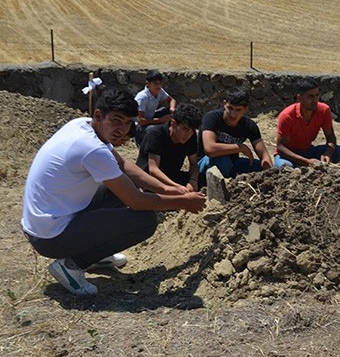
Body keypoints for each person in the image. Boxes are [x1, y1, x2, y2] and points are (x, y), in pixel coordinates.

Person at [21, 88, 206, 296]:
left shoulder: (82, 125)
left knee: (119, 188)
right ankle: (71, 264)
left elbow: (124, 165)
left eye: (128, 123)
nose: (122, 130)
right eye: (117, 120)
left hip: (45, 221)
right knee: (145, 221)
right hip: (50, 237)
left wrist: (169, 189)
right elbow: (136, 201)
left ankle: (93, 253)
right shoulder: (92, 149)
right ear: (99, 115)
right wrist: (182, 202)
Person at [197, 88, 273, 182]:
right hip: (207, 163)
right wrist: (240, 147)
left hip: (233, 163)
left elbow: (264, 154)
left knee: (261, 167)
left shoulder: (249, 125)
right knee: (223, 162)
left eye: (238, 110)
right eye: (230, 108)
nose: (233, 114)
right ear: (224, 104)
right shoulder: (212, 118)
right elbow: (210, 149)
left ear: (245, 109)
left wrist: (270, 174)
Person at [274, 78, 340, 167]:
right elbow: (281, 148)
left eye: (317, 95)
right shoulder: (287, 116)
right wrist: (307, 162)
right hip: (290, 155)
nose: (315, 100)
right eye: (310, 96)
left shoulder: (324, 110)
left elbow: (331, 137)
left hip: (308, 151)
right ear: (299, 98)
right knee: (285, 166)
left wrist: (328, 154)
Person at [136, 103, 202, 193]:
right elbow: (153, 169)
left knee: (203, 179)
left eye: (192, 130)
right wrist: (177, 187)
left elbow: (193, 163)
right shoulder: (156, 134)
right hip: (149, 179)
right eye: (185, 129)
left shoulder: (191, 136)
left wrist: (193, 181)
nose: (188, 135)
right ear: (173, 123)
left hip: (172, 176)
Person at [134, 70, 177, 146]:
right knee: (153, 130)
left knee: (169, 112)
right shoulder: (142, 97)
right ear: (148, 84)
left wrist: (172, 108)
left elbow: (172, 100)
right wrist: (160, 120)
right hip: (140, 127)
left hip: (152, 117)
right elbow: (140, 121)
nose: (158, 86)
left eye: (160, 83)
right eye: (155, 84)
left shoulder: (159, 91)